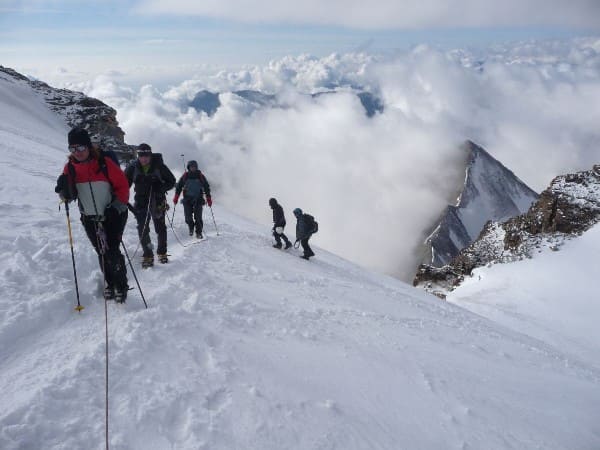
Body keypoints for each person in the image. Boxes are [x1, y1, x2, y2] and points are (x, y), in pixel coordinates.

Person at [55, 127, 130, 302]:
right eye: (72, 149)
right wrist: (63, 192)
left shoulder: (104, 163)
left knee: (111, 250)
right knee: (101, 251)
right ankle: (109, 283)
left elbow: (123, 187)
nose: (77, 152)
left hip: (114, 214)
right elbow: (71, 194)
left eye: (81, 147)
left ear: (89, 147)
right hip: (89, 217)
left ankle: (121, 285)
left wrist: (116, 207)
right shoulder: (70, 168)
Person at [124, 143, 176, 267]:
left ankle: (162, 253)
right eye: (141, 155)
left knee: (160, 227)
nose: (144, 158)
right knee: (142, 228)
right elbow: (124, 184)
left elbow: (172, 181)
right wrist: (121, 198)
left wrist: (161, 187)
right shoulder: (133, 167)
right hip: (141, 201)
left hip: (157, 201)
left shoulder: (159, 166)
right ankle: (148, 254)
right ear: (138, 155)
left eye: (147, 155)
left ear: (151, 155)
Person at [173, 160, 212, 239]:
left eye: (194, 167)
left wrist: (208, 198)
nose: (193, 168)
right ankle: (191, 227)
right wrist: (176, 197)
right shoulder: (185, 176)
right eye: (191, 167)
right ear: (188, 167)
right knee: (188, 217)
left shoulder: (200, 175)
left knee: (198, 217)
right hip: (187, 199)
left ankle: (199, 233)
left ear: (196, 167)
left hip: (198, 199)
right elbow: (179, 186)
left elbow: (206, 187)